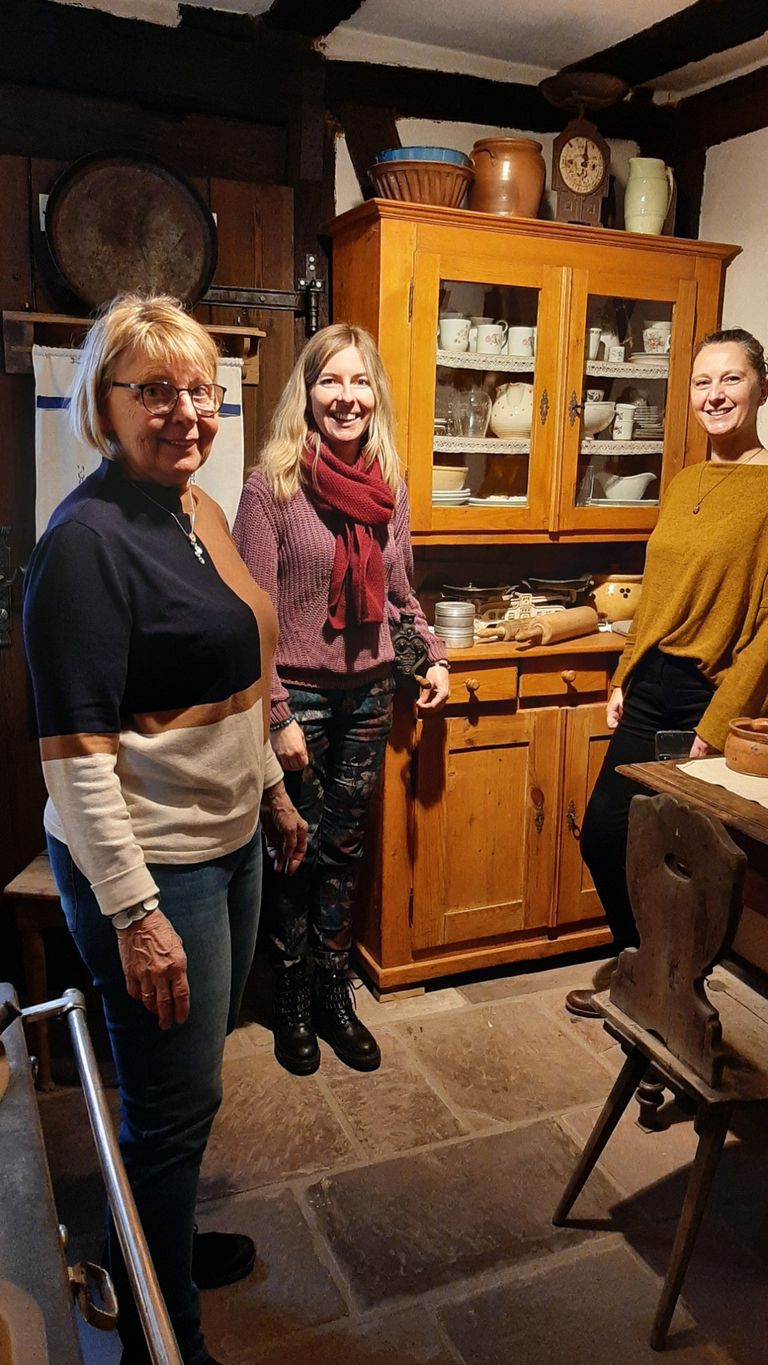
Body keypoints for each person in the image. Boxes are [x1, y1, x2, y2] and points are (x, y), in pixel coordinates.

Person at [22, 294, 307, 1365]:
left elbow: (239, 675)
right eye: (155, 391)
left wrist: (270, 793)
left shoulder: (191, 511)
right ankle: (159, 1336)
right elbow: (76, 762)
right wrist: (137, 914)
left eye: (201, 390)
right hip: (152, 869)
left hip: (224, 842)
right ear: (104, 405)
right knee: (170, 1103)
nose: (187, 412)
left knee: (182, 1096)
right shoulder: (86, 543)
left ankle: (150, 1249)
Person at [233, 323, 449, 1075]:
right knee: (293, 849)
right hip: (299, 698)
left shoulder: (389, 486)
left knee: (342, 849)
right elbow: (249, 615)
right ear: (308, 391)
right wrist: (278, 718)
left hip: (367, 697)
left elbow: (400, 596)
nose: (346, 397)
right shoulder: (272, 486)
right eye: (331, 381)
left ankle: (332, 989)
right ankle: (290, 994)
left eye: (360, 383)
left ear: (374, 396)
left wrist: (436, 658)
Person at [566, 326, 768, 1018]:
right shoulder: (684, 481)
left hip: (702, 695)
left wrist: (718, 723)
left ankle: (667, 996)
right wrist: (624, 673)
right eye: (703, 381)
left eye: (731, 378)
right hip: (651, 681)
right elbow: (656, 594)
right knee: (607, 833)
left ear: (761, 388)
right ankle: (651, 979)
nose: (715, 394)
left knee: (680, 864)